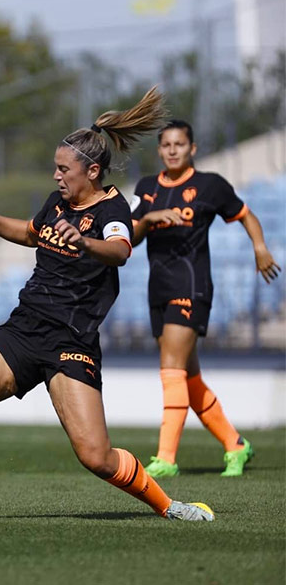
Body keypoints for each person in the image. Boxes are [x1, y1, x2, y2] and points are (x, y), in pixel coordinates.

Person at [0, 88, 214, 523]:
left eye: (63, 169)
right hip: (25, 327)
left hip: (72, 340)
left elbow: (120, 250)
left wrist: (85, 242)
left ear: (91, 171)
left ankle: (168, 506)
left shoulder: (113, 208)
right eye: (55, 167)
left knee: (96, 457)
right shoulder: (58, 203)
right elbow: (32, 233)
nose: (56, 175)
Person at [131, 119, 280, 478]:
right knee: (188, 376)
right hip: (159, 288)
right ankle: (236, 444)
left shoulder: (209, 185)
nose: (172, 150)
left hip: (192, 286)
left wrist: (260, 247)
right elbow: (130, 239)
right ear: (159, 150)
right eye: (166, 145)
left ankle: (166, 457)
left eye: (179, 144)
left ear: (192, 148)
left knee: (171, 368)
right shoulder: (147, 187)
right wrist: (148, 219)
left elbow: (246, 215)